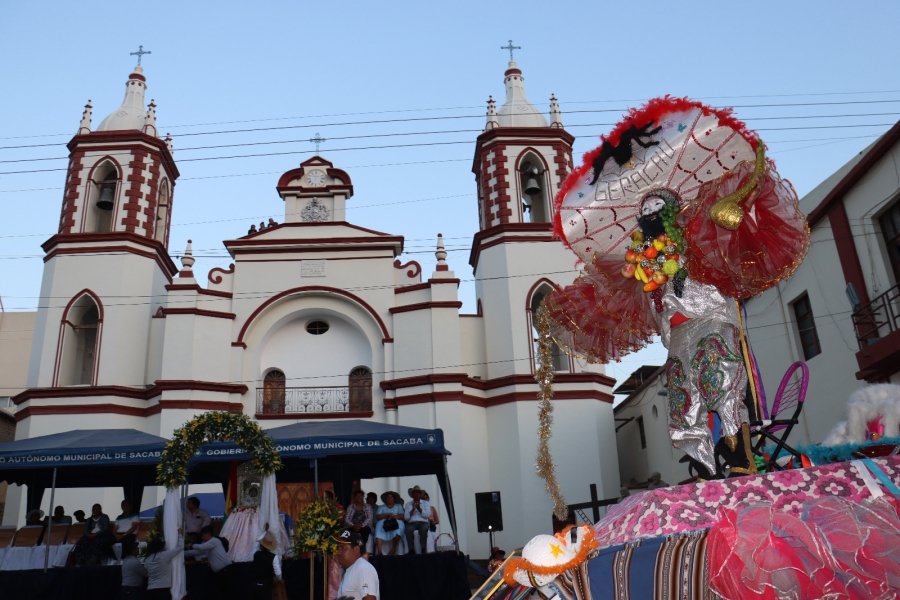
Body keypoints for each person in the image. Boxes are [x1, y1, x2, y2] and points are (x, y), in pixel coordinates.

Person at [547, 97, 809, 482]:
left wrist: (733, 212)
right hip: (677, 336)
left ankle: (739, 456)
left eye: (655, 212)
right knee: (684, 405)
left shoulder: (700, 243)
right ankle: (702, 466)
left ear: (670, 213)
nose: (648, 219)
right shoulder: (644, 264)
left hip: (710, 322)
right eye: (643, 216)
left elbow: (732, 244)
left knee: (720, 381)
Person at [185, 525, 235, 600]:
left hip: (226, 571)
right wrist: (182, 553)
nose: (202, 538)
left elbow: (201, 547)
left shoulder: (214, 541)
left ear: (208, 534)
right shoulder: (208, 546)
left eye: (203, 535)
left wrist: (192, 545)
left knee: (227, 592)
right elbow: (196, 552)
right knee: (220, 592)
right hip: (220, 573)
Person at [334, 530, 379, 600]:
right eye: (338, 548)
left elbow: (370, 598)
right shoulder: (352, 568)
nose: (338, 552)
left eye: (343, 548)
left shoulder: (362, 568)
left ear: (356, 550)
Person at [145, 527, 184, 600]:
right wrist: (180, 535)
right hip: (162, 590)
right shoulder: (164, 555)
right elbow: (180, 547)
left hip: (150, 590)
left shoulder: (147, 560)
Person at [251, 532, 281, 600]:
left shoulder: (256, 554)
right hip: (265, 586)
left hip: (254, 585)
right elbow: (278, 573)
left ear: (261, 545)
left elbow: (256, 547)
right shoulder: (273, 557)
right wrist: (279, 579)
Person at [404, 486, 430, 555]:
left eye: (418, 493)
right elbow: (406, 518)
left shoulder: (426, 503)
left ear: (420, 494)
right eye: (414, 493)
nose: (416, 494)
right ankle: (411, 549)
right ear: (412, 494)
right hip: (412, 523)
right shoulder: (408, 504)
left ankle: (423, 548)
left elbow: (427, 515)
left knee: (424, 529)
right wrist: (412, 509)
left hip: (423, 522)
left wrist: (419, 509)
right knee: (408, 530)